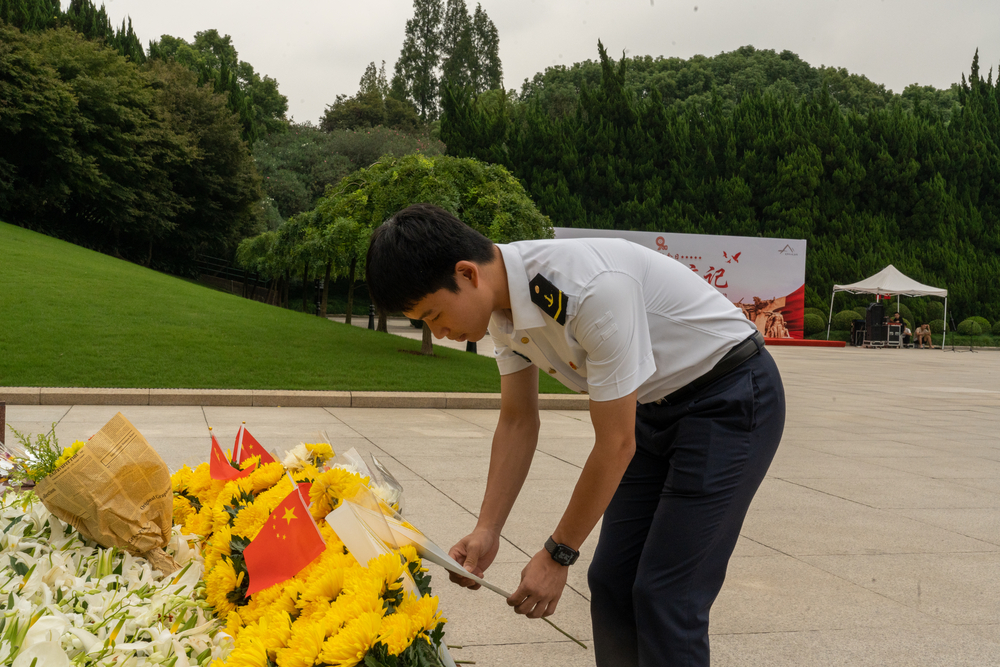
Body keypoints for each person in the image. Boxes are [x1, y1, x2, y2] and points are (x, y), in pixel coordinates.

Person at [365, 204, 786, 667]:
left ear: (467, 274)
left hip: (728, 398)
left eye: (433, 314)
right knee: (610, 580)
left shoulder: (589, 290)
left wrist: (558, 553)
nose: (438, 332)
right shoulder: (504, 309)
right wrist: (488, 529)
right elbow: (518, 420)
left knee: (668, 595)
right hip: (654, 407)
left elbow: (615, 443)